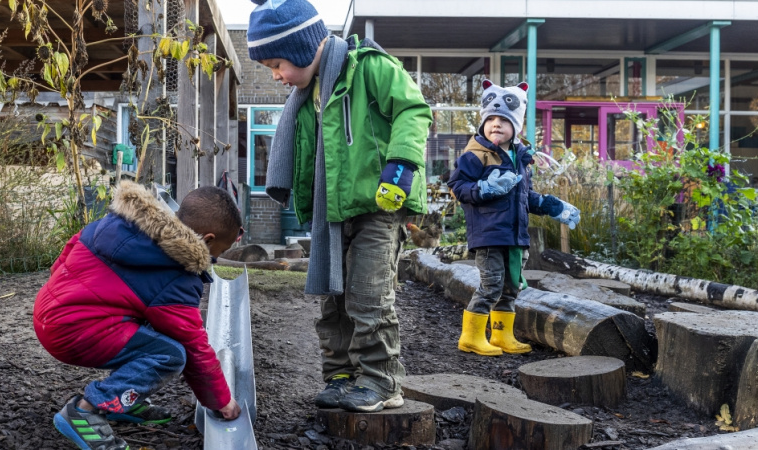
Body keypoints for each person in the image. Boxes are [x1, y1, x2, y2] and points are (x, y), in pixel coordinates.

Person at [248, 0, 433, 412]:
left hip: (379, 205)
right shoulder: (308, 92)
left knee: (368, 295)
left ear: (301, 48)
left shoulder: (369, 66)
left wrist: (400, 166)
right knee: (333, 296)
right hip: (332, 211)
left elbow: (414, 110)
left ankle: (382, 381)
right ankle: (341, 375)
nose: (277, 76)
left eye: (278, 64)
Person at [33, 181, 243, 450]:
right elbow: (194, 346)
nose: (215, 259)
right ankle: (85, 412)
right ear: (208, 239)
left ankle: (123, 400)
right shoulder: (177, 275)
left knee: (154, 331)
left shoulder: (119, 224)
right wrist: (221, 400)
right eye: (220, 253)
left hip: (48, 311)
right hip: (75, 331)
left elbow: (66, 254)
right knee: (171, 354)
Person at [448, 80, 580, 356]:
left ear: (517, 127)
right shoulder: (475, 156)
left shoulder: (519, 158)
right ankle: (471, 336)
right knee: (491, 284)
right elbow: (458, 188)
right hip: (489, 233)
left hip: (515, 235)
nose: (496, 124)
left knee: (510, 287)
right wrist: (484, 189)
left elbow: (525, 197)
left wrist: (553, 206)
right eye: (491, 119)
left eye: (504, 120)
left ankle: (501, 335)